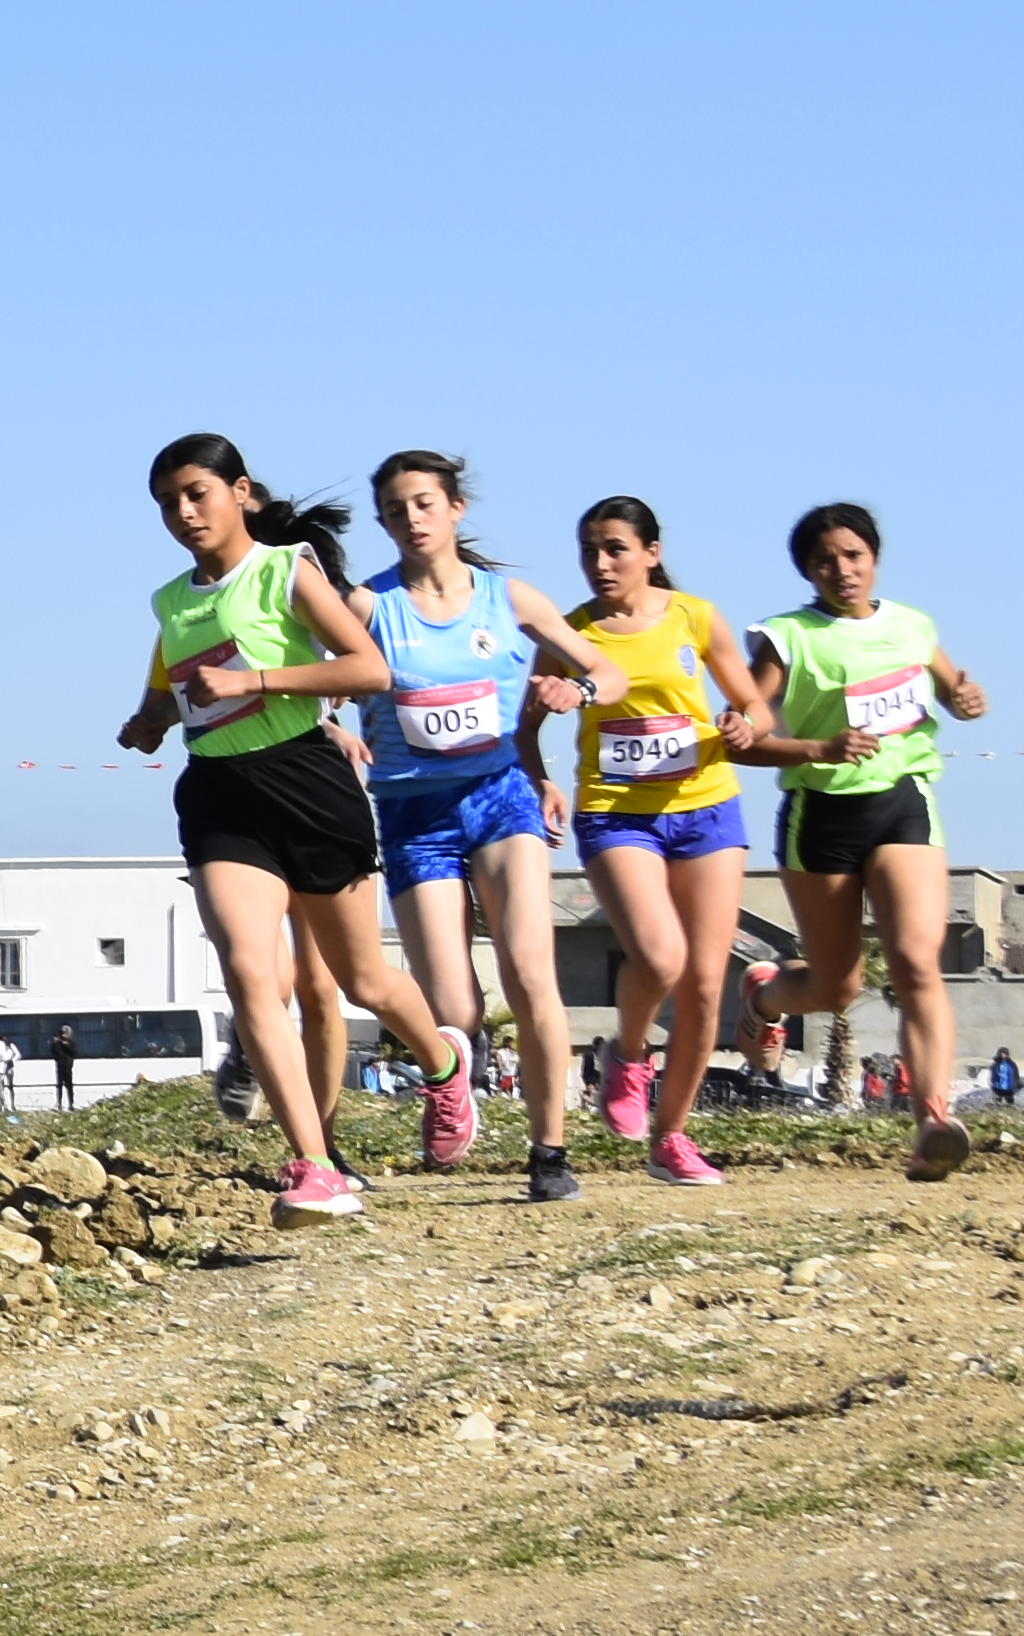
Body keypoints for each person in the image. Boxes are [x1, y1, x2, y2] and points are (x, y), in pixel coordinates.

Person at [111, 434, 472, 1225]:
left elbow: (368, 669)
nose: (183, 512)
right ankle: (314, 1166)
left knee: (361, 982)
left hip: (305, 782)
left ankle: (445, 1067)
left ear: (240, 492)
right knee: (248, 973)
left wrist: (259, 680)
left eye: (197, 493)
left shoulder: (287, 570)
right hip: (219, 795)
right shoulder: (170, 600)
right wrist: (147, 721)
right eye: (168, 501)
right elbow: (171, 687)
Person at [353, 453, 599, 1200]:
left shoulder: (508, 598)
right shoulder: (367, 607)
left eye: (424, 502)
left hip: (499, 798)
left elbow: (602, 668)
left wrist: (575, 685)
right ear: (384, 523)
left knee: (530, 974)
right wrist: (334, 728)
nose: (413, 518)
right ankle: (450, 1074)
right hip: (412, 812)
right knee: (452, 1005)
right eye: (396, 509)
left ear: (455, 507)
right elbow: (319, 679)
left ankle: (549, 1151)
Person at [741, 499, 994, 1186]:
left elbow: (951, 688)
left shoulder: (911, 625)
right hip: (819, 815)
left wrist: (966, 698)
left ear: (874, 557)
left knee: (918, 964)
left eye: (853, 555)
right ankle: (764, 995)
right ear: (807, 570)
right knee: (836, 986)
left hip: (903, 805)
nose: (841, 569)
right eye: (825, 560)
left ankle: (932, 1122)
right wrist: (809, 742)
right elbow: (751, 734)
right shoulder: (787, 636)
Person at [561, 492, 771, 1186]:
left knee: (708, 984)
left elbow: (752, 704)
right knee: (659, 955)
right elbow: (526, 712)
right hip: (618, 813)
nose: (600, 562)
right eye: (589, 549)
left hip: (706, 807)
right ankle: (626, 1055)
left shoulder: (696, 617)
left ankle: (671, 1138)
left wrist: (744, 723)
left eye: (615, 547)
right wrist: (535, 776)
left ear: (652, 552)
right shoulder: (571, 631)